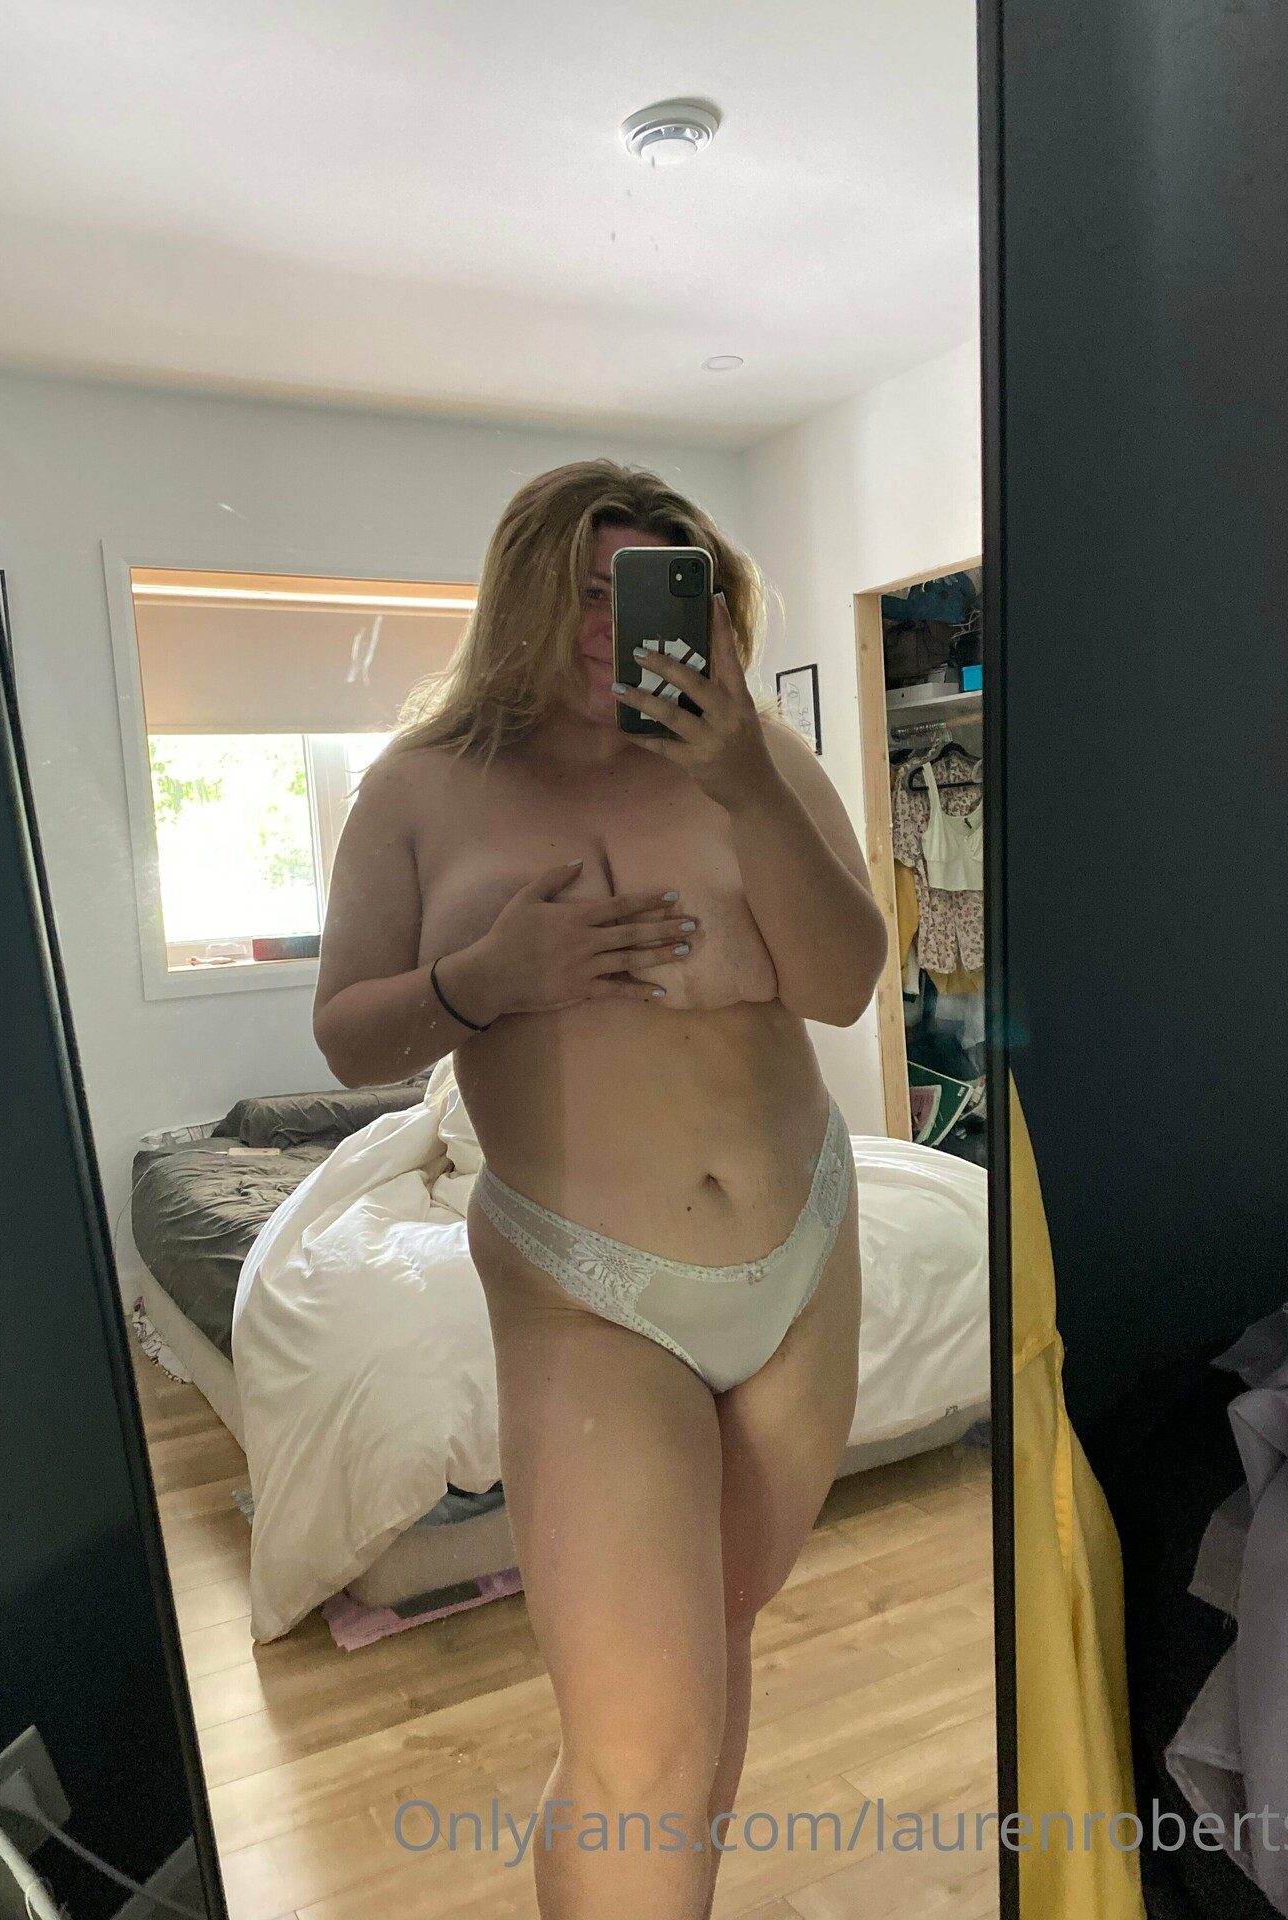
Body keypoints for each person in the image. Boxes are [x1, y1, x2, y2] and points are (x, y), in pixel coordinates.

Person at [313, 460, 887, 1920]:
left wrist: (745, 782)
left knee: (708, 1662)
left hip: (805, 1254)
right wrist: (484, 980)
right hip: (587, 1292)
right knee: (640, 1750)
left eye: (644, 594)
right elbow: (349, 1038)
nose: (608, 630)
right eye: (582, 590)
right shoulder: (416, 790)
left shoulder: (758, 755)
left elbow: (842, 984)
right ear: (517, 593)